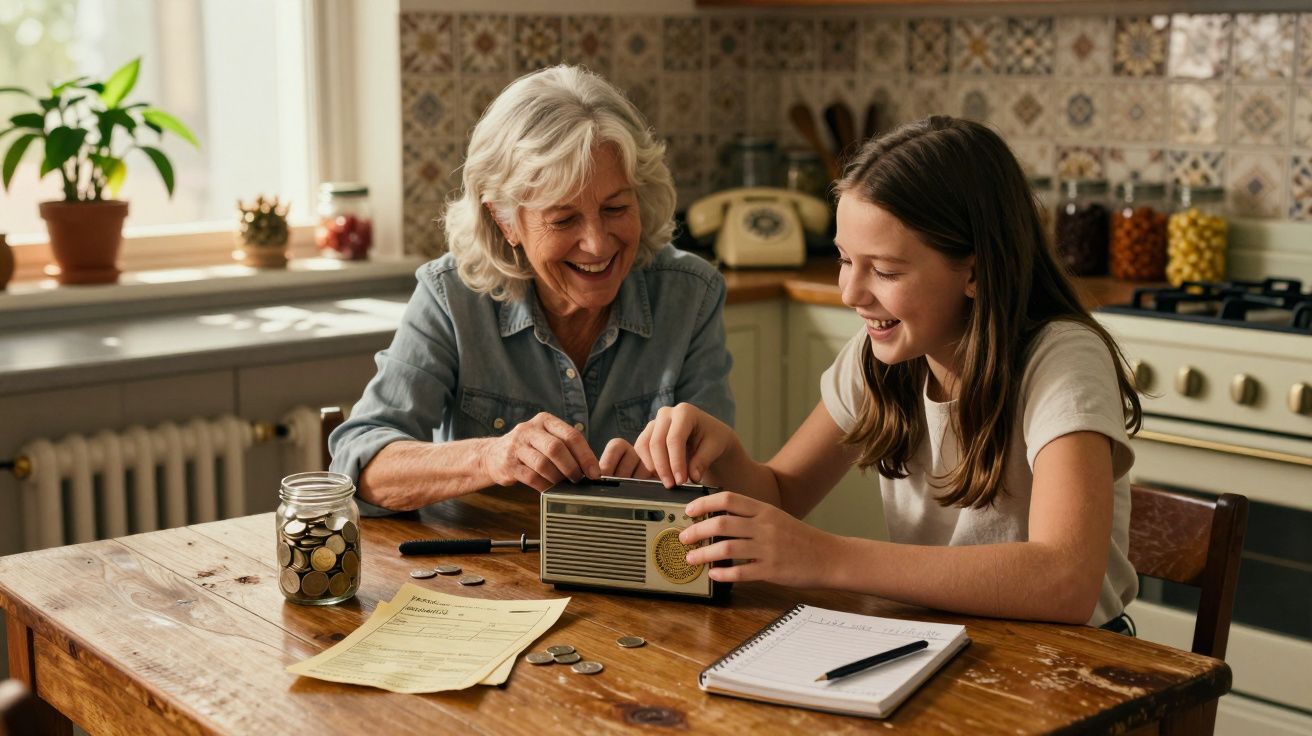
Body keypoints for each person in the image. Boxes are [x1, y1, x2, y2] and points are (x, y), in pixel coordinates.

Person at [635, 116, 1143, 628]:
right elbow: (782, 496)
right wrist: (724, 453)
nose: (851, 293)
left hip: (1072, 659)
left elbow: (1065, 581)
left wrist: (829, 558)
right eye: (844, 260)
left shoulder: (1061, 360)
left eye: (885, 271)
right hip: (948, 641)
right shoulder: (880, 358)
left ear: (975, 270)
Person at [330, 65, 733, 512]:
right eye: (563, 219)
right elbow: (357, 464)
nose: (597, 243)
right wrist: (491, 456)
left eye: (616, 207)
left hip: (632, 572)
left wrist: (672, 472)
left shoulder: (691, 294)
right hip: (478, 573)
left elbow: (723, 480)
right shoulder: (452, 297)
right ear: (505, 221)